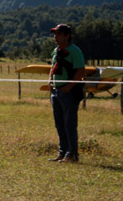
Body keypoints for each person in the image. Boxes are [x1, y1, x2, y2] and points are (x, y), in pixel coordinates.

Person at [47, 24, 86, 163]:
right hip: (56, 92)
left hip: (68, 92)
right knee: (59, 124)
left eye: (58, 34)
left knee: (69, 124)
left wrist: (69, 86)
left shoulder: (75, 51)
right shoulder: (55, 51)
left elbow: (80, 71)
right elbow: (53, 68)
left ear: (67, 36)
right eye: (55, 34)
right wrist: (50, 81)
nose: (55, 37)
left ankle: (72, 154)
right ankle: (62, 152)